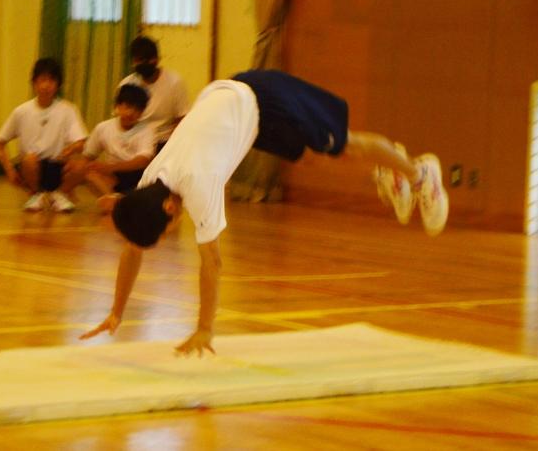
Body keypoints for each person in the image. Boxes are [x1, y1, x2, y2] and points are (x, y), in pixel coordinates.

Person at [81, 69, 449, 356]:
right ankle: (393, 170)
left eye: (166, 230)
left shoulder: (198, 182)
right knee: (312, 158)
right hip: (242, 109)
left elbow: (212, 264)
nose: (171, 232)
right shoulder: (151, 182)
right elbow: (133, 248)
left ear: (169, 207)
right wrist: (116, 311)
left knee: (346, 145)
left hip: (267, 99)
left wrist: (205, 328)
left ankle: (418, 174)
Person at [0, 58, 88, 212]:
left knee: (82, 165)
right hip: (30, 167)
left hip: (57, 165)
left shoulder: (68, 109)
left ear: (58, 84)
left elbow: (81, 142)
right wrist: (9, 170)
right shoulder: (22, 111)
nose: (46, 85)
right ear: (34, 82)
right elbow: (0, 142)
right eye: (42, 80)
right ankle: (36, 194)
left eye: (51, 80)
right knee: (29, 159)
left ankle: (59, 195)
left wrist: (71, 149)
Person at [68, 85, 155, 210]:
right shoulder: (103, 128)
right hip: (112, 177)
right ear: (117, 106)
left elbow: (143, 161)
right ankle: (115, 200)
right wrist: (75, 170)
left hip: (137, 176)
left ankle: (119, 202)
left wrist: (110, 167)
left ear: (142, 112)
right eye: (127, 107)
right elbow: (87, 156)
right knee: (84, 169)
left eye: (137, 109)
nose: (130, 113)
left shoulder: (147, 130)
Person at [118, 36, 189, 151]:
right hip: (135, 142)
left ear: (157, 59)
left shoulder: (175, 82)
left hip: (164, 142)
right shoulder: (126, 85)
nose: (143, 63)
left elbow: (181, 119)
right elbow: (121, 120)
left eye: (147, 59)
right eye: (138, 60)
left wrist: (172, 146)